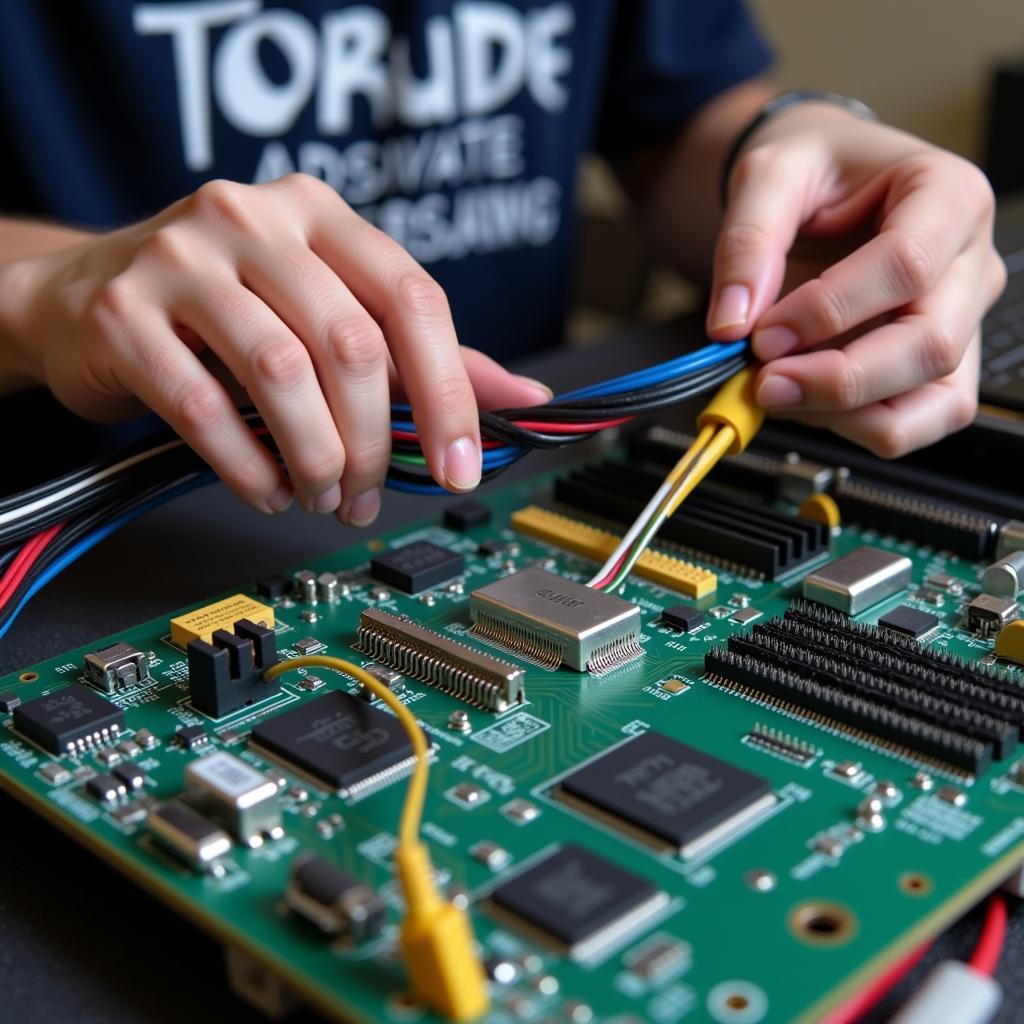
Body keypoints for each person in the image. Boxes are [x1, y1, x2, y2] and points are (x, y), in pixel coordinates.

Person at [0, 2, 1005, 529]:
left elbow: (677, 125)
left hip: (512, 484)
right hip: (106, 518)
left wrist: (801, 146)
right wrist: (46, 293)